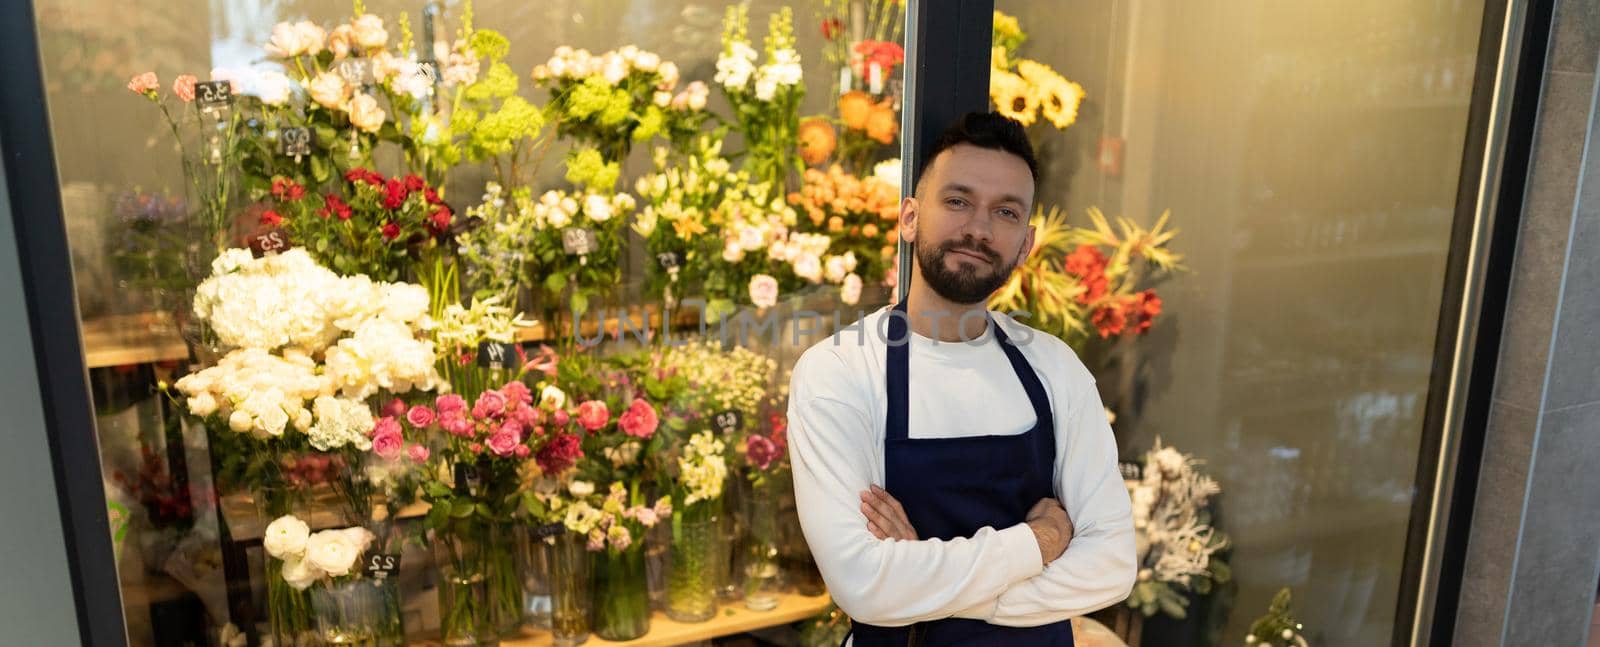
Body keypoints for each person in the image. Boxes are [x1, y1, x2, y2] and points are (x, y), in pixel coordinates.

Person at [787, 111, 1137, 646]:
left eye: (1005, 211)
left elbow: (1111, 564)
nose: (978, 228)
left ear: (1025, 244)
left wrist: (925, 588)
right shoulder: (840, 371)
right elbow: (863, 584)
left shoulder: (1055, 368)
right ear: (909, 218)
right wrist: (1042, 541)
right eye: (957, 201)